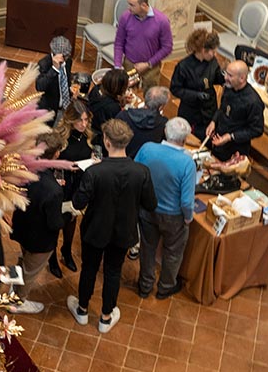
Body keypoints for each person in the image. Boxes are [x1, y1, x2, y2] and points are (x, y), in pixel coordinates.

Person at [67, 120, 157, 334]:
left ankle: (82, 310)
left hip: (95, 229)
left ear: (107, 141)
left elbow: (78, 203)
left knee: (89, 268)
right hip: (123, 230)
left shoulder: (95, 172)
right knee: (113, 271)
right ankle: (106, 317)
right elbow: (151, 204)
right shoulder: (141, 171)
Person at [136, 117, 196, 300]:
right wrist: (188, 217)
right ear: (185, 139)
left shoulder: (147, 149)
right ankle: (165, 286)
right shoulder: (187, 163)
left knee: (147, 248)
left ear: (165, 131)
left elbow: (136, 174)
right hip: (173, 216)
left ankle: (145, 285)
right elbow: (186, 201)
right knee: (173, 252)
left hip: (147, 209)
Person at [9, 132, 64, 313]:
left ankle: (12, 288)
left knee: (23, 261)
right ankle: (17, 302)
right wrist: (67, 214)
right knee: (30, 272)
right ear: (56, 154)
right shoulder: (54, 190)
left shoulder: (24, 170)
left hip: (21, 227)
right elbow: (54, 223)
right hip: (40, 240)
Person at [51, 100, 94, 276]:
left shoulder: (87, 137)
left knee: (71, 219)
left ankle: (66, 251)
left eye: (86, 120)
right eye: (79, 120)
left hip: (78, 185)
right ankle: (52, 257)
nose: (83, 124)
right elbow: (49, 162)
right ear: (70, 119)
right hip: (62, 184)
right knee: (55, 222)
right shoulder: (60, 139)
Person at [170, 27, 224, 140]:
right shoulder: (184, 66)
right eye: (213, 51)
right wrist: (196, 95)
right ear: (203, 51)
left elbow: (216, 78)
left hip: (209, 109)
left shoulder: (212, 61)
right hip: (192, 112)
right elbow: (175, 89)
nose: (215, 54)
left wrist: (225, 75)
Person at [112, 0, 173, 91]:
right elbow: (119, 43)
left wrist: (148, 64)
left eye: (132, 5)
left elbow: (167, 47)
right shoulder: (126, 17)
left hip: (151, 67)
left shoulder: (162, 21)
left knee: (151, 95)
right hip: (129, 63)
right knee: (126, 93)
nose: (128, 8)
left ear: (143, 5)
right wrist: (117, 66)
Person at [205, 58, 265, 159]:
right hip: (219, 142)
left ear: (242, 78)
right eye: (226, 73)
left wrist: (230, 136)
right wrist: (213, 121)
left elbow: (257, 130)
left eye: (230, 75)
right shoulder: (229, 87)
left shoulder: (253, 102)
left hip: (235, 150)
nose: (225, 78)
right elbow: (222, 109)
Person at [116, 86, 171, 159]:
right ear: (161, 107)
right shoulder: (164, 124)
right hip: (146, 162)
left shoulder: (123, 115)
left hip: (120, 159)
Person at [36, 36, 74, 118]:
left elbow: (67, 77)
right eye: (64, 56)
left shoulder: (68, 61)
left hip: (66, 107)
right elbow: (39, 87)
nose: (65, 58)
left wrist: (70, 88)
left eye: (67, 55)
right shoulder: (44, 64)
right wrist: (54, 69)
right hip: (50, 110)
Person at [88, 68, 129, 145]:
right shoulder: (113, 107)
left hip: (90, 125)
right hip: (99, 136)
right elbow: (115, 126)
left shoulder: (96, 88)